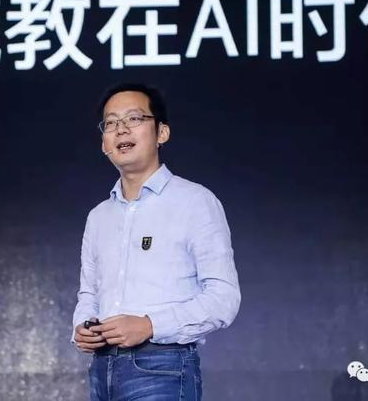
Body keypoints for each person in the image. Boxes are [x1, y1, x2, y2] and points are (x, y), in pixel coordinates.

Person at [72, 83, 241, 400]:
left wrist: (150, 325)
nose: (121, 129)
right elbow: (89, 293)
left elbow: (223, 298)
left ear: (162, 133)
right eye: (111, 123)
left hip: (163, 367)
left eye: (134, 118)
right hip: (102, 369)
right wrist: (82, 327)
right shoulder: (98, 216)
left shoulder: (194, 201)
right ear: (104, 142)